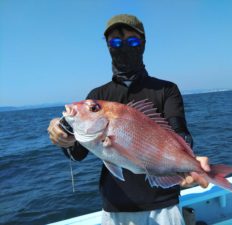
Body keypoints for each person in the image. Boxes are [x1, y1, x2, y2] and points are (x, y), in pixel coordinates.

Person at [48, 14, 210, 225]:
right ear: (107, 47)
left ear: (143, 44)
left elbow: (179, 131)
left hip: (164, 205)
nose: (123, 47)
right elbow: (77, 153)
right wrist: (64, 135)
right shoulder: (97, 96)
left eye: (132, 41)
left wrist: (190, 160)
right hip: (116, 208)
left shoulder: (166, 89)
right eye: (115, 42)